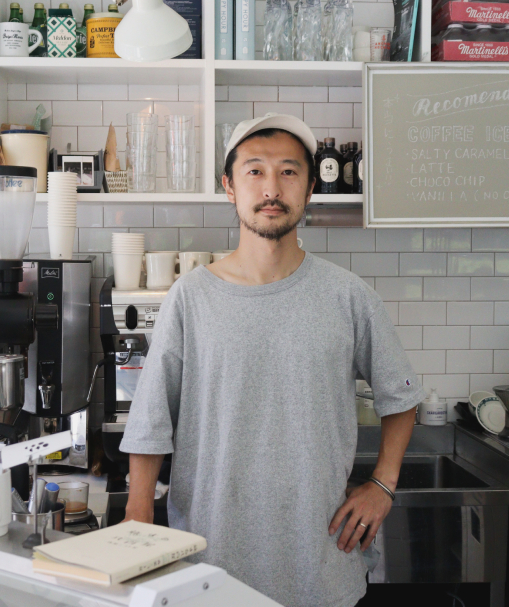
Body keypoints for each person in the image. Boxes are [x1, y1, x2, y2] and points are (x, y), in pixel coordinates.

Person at [119, 114, 424, 607]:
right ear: (229, 187)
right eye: (254, 171)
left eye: (288, 171)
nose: (271, 187)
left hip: (319, 568)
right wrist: (138, 522)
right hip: (206, 570)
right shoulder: (190, 297)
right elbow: (151, 420)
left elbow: (402, 394)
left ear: (308, 189)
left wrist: (382, 485)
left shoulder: (347, 295)